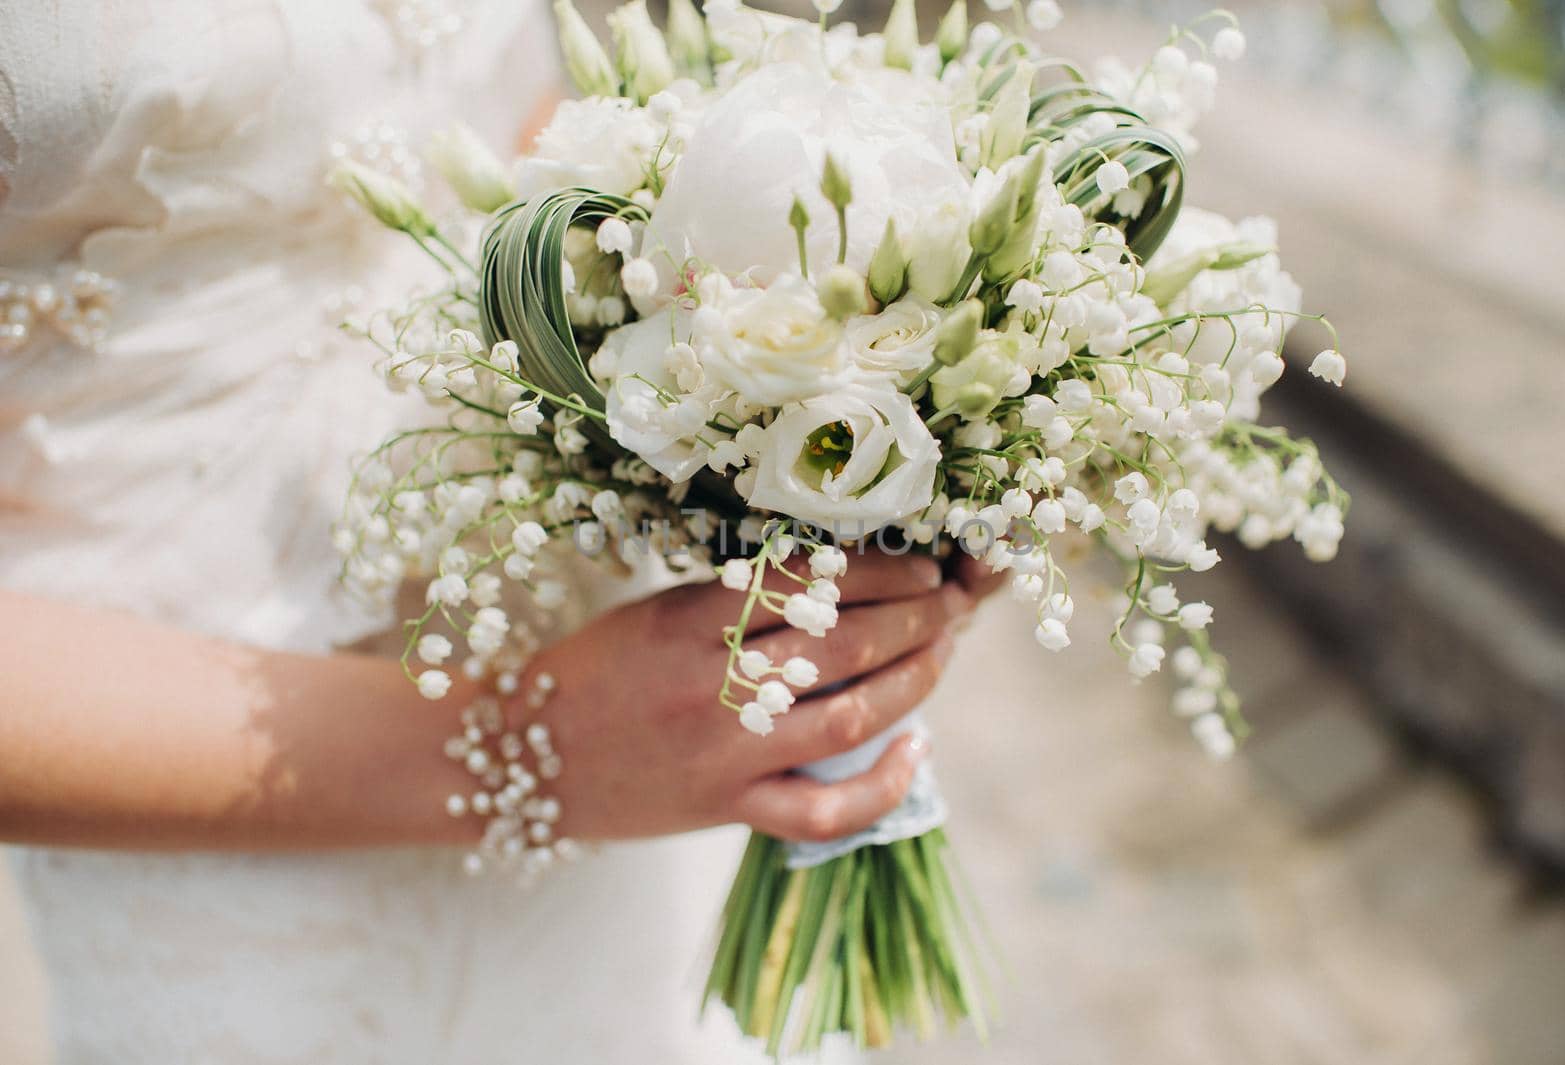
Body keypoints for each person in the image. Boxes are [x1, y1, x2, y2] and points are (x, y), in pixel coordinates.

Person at [0, 2, 986, 1060]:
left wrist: (845, 405)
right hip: (204, 779)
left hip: (624, 666)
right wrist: (534, 749)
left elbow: (497, 108)